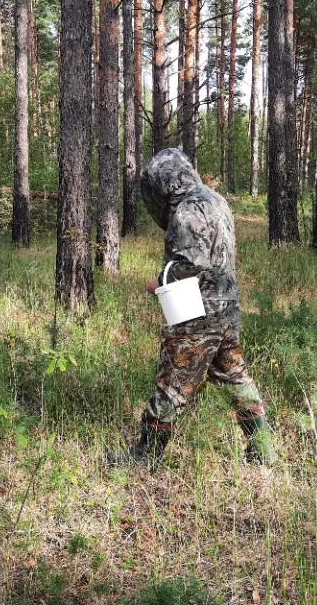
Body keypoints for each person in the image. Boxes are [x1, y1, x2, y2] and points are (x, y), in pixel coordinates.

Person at [109, 148, 276, 467]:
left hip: (195, 314)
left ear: (164, 182)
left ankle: (146, 456)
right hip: (225, 311)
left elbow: (190, 265)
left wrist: (159, 282)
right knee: (234, 376)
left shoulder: (189, 208)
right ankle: (262, 451)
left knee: (173, 381)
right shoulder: (215, 200)